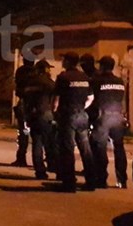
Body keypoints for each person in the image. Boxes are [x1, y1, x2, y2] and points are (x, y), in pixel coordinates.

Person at [53, 52, 96, 192]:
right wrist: (82, 107)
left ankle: (69, 183)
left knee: (67, 149)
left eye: (63, 59)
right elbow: (91, 97)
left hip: (68, 116)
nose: (62, 61)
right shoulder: (85, 77)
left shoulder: (63, 77)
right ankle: (91, 181)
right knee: (85, 149)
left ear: (68, 61)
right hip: (82, 115)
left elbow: (56, 99)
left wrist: (55, 112)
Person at [89, 56, 128, 189]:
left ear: (102, 66)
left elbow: (92, 99)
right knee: (119, 147)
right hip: (117, 116)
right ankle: (122, 180)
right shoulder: (119, 81)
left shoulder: (96, 81)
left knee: (99, 147)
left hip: (103, 117)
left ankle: (101, 179)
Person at [23, 59, 58, 179]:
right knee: (50, 142)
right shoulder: (48, 82)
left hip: (32, 115)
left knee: (36, 143)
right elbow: (56, 97)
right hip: (46, 114)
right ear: (45, 69)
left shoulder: (30, 83)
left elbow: (25, 99)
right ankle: (53, 166)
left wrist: (27, 115)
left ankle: (40, 171)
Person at [11, 57, 35, 167]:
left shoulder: (21, 71)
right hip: (35, 106)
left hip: (24, 105)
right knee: (36, 135)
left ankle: (21, 157)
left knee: (23, 132)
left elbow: (17, 87)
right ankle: (39, 160)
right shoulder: (36, 72)